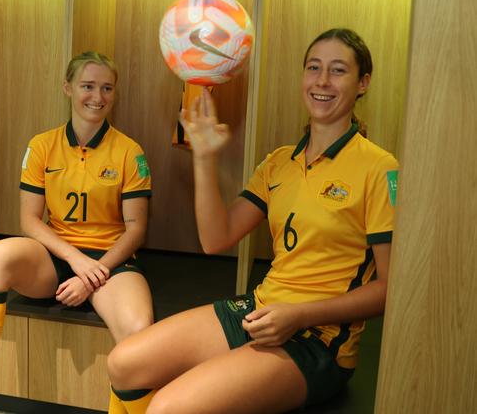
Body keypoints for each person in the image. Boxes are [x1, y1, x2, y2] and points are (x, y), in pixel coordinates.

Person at [107, 28, 398, 413]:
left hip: (318, 340)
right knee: (123, 363)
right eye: (314, 68)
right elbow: (215, 238)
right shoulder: (280, 161)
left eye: (338, 70)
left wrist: (298, 315)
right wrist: (204, 158)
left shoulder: (379, 167)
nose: (322, 81)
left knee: (169, 408)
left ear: (363, 83)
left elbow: (387, 288)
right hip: (262, 308)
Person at [0, 52, 154, 414]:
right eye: (87, 86)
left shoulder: (130, 152)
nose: (97, 96)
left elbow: (136, 229)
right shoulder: (42, 146)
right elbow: (30, 220)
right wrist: (75, 260)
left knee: (138, 328)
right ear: (68, 88)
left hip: (110, 262)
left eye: (107, 88)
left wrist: (93, 272)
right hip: (56, 256)